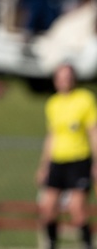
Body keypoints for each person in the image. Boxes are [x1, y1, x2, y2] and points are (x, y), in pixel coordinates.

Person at [36, 63, 97, 249]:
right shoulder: (53, 103)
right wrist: (44, 165)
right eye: (61, 77)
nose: (64, 81)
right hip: (57, 161)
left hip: (79, 160)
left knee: (76, 209)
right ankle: (52, 244)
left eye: (68, 77)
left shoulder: (85, 99)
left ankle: (87, 245)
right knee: (47, 208)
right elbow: (51, 136)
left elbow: (93, 132)